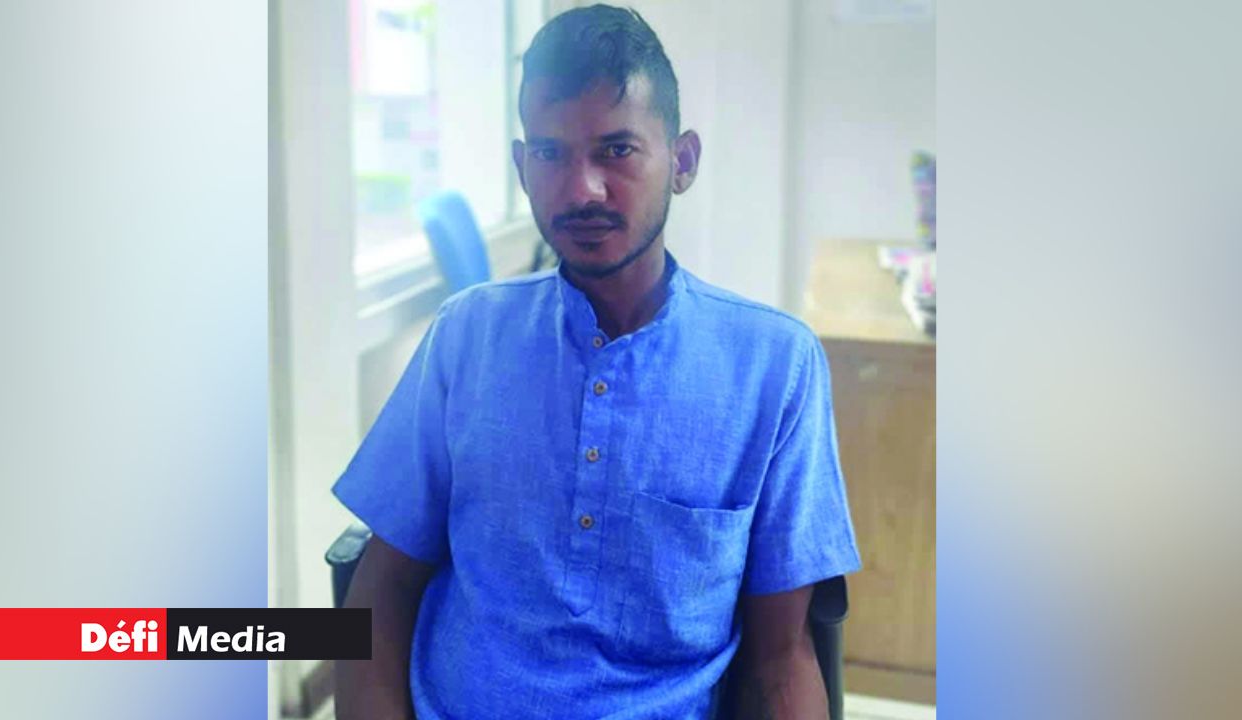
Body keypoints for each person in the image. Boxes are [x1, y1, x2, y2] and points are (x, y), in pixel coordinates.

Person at [332, 5, 860, 719]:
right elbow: (382, 588)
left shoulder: (773, 368)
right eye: (551, 153)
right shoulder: (465, 338)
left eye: (616, 150)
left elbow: (781, 656)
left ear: (682, 162)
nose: (582, 188)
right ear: (522, 168)